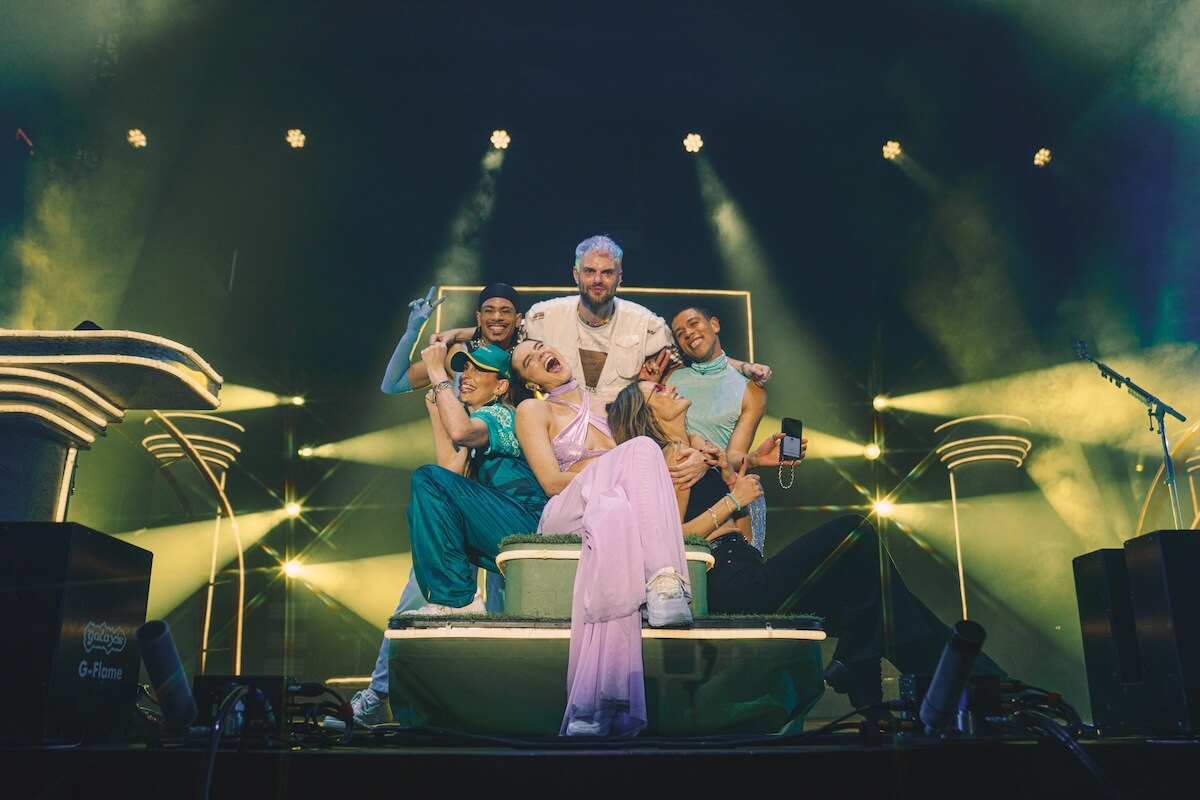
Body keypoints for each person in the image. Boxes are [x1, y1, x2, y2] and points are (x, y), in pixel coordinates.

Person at [605, 379, 1007, 713]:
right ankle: (976, 688)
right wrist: (732, 499)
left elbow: (744, 536)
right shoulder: (667, 458)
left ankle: (965, 692)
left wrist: (729, 477)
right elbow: (672, 538)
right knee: (854, 533)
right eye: (657, 389)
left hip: (747, 567)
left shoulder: (701, 451)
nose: (670, 386)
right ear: (646, 413)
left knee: (876, 602)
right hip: (728, 585)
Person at [510, 338, 703, 737]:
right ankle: (666, 579)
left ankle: (595, 706)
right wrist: (613, 468)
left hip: (606, 508)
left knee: (614, 512)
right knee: (639, 454)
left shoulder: (607, 406)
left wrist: (694, 454)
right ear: (530, 381)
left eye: (540, 346)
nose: (540, 354)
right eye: (528, 360)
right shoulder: (535, 409)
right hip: (564, 511)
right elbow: (550, 481)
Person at [521, 234, 772, 407]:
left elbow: (695, 361)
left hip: (618, 437)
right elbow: (507, 355)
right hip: (557, 433)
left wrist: (744, 367)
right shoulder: (542, 318)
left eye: (607, 272)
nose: (598, 280)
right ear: (576, 274)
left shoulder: (646, 325)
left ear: (620, 277)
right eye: (590, 271)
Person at [665, 304, 773, 552]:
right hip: (675, 487)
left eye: (694, 324)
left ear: (714, 324)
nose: (689, 334)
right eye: (680, 333)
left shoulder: (751, 389)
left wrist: (754, 458)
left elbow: (734, 455)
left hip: (719, 491)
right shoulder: (669, 377)